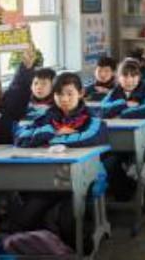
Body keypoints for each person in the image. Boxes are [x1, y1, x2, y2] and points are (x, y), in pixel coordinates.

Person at [10, 73, 108, 248]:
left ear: (81, 93)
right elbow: (20, 137)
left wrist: (47, 140)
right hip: (48, 179)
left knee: (68, 222)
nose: (64, 99)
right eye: (59, 94)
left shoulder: (93, 119)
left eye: (70, 93)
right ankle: (40, 250)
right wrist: (52, 132)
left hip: (84, 177)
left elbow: (89, 138)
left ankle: (80, 252)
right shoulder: (48, 117)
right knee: (25, 218)